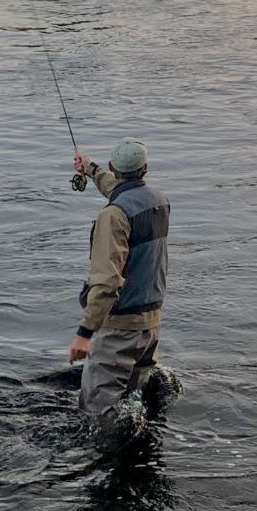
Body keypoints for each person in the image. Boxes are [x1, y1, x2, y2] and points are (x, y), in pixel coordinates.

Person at [68, 137, 172, 424]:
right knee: (131, 403)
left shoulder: (113, 216)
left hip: (118, 330)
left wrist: (84, 334)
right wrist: (90, 169)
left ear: (114, 167)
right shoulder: (158, 200)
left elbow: (106, 281)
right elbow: (121, 192)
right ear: (146, 169)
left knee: (97, 414)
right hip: (149, 326)